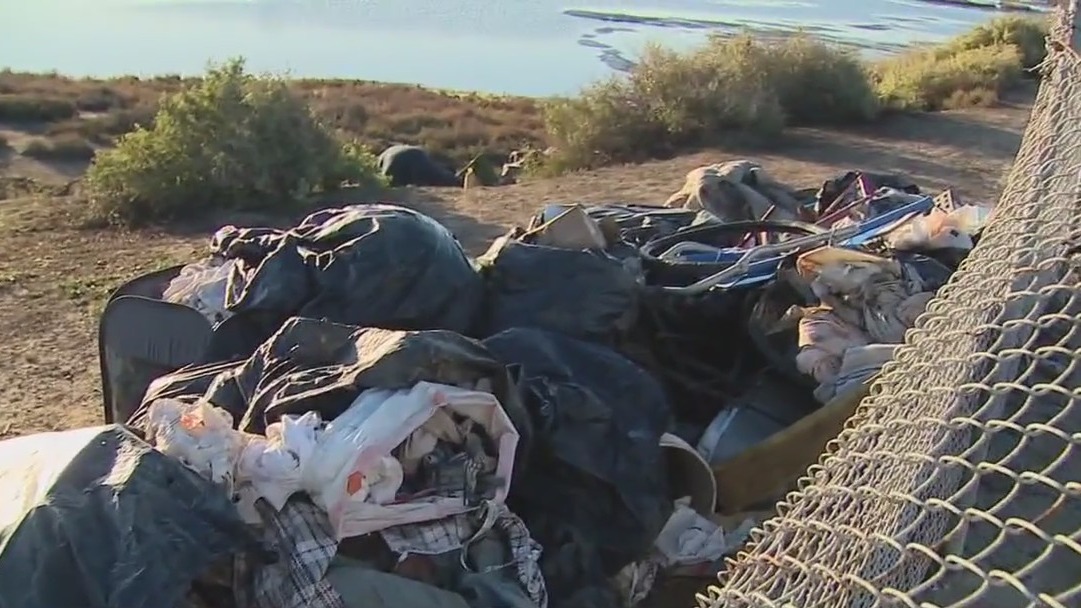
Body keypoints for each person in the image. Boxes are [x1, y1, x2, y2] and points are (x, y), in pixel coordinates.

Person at [377, 144, 461, 187]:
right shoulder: (419, 157)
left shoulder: (419, 154)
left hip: (388, 157)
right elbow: (437, 176)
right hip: (402, 163)